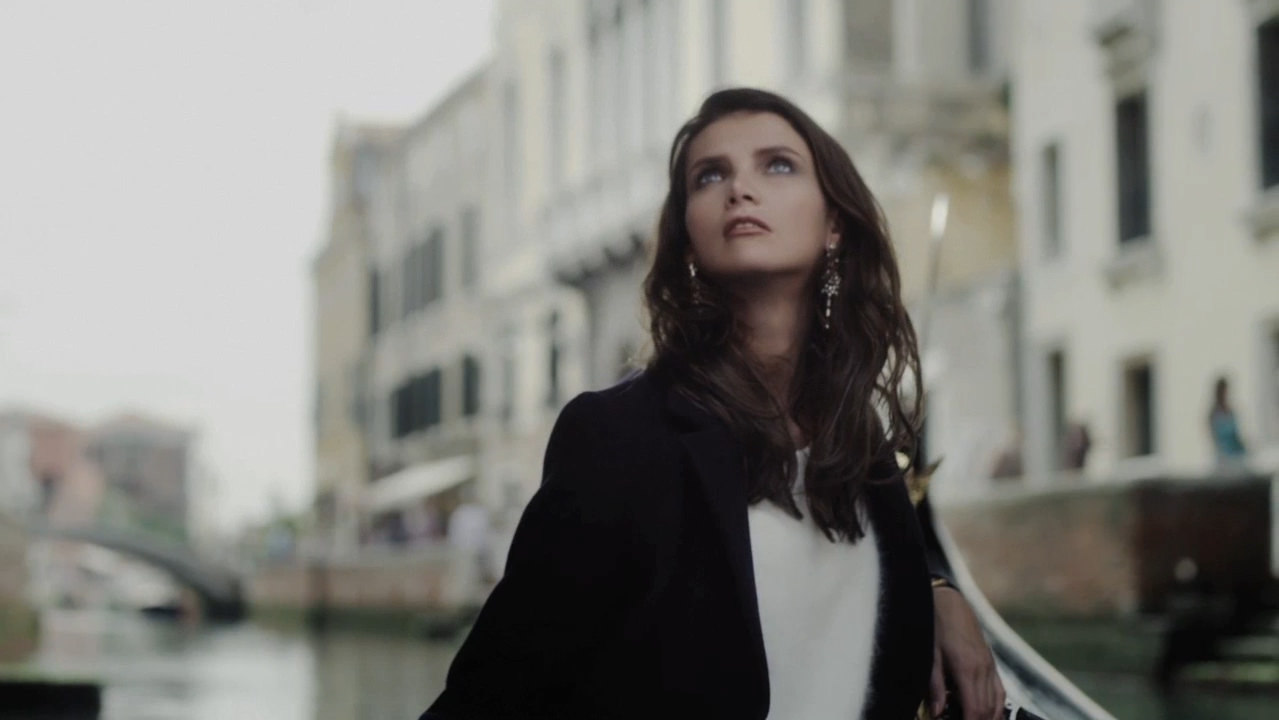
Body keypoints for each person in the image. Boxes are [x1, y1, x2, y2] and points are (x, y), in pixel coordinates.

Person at [420, 89, 1004, 720]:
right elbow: (491, 694)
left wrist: (937, 592)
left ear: (834, 224)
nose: (739, 189)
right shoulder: (616, 438)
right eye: (709, 176)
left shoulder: (865, 447)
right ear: (689, 240)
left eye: (777, 165)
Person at [1208, 376, 1247, 467]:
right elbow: (1215, 437)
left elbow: (1236, 435)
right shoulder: (1214, 413)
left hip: (1237, 455)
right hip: (1223, 457)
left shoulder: (1231, 411)